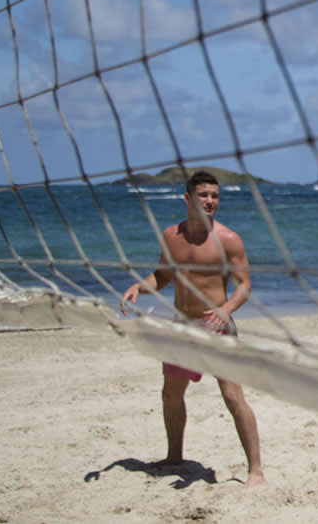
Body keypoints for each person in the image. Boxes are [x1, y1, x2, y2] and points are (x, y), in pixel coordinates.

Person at [120, 170, 265, 487]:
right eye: (204, 195)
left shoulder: (227, 239)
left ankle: (256, 470)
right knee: (171, 394)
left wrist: (225, 310)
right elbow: (162, 276)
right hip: (181, 327)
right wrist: (137, 288)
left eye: (214, 195)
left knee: (232, 395)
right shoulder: (171, 235)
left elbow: (244, 285)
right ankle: (175, 457)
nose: (210, 201)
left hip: (217, 327)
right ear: (188, 198)